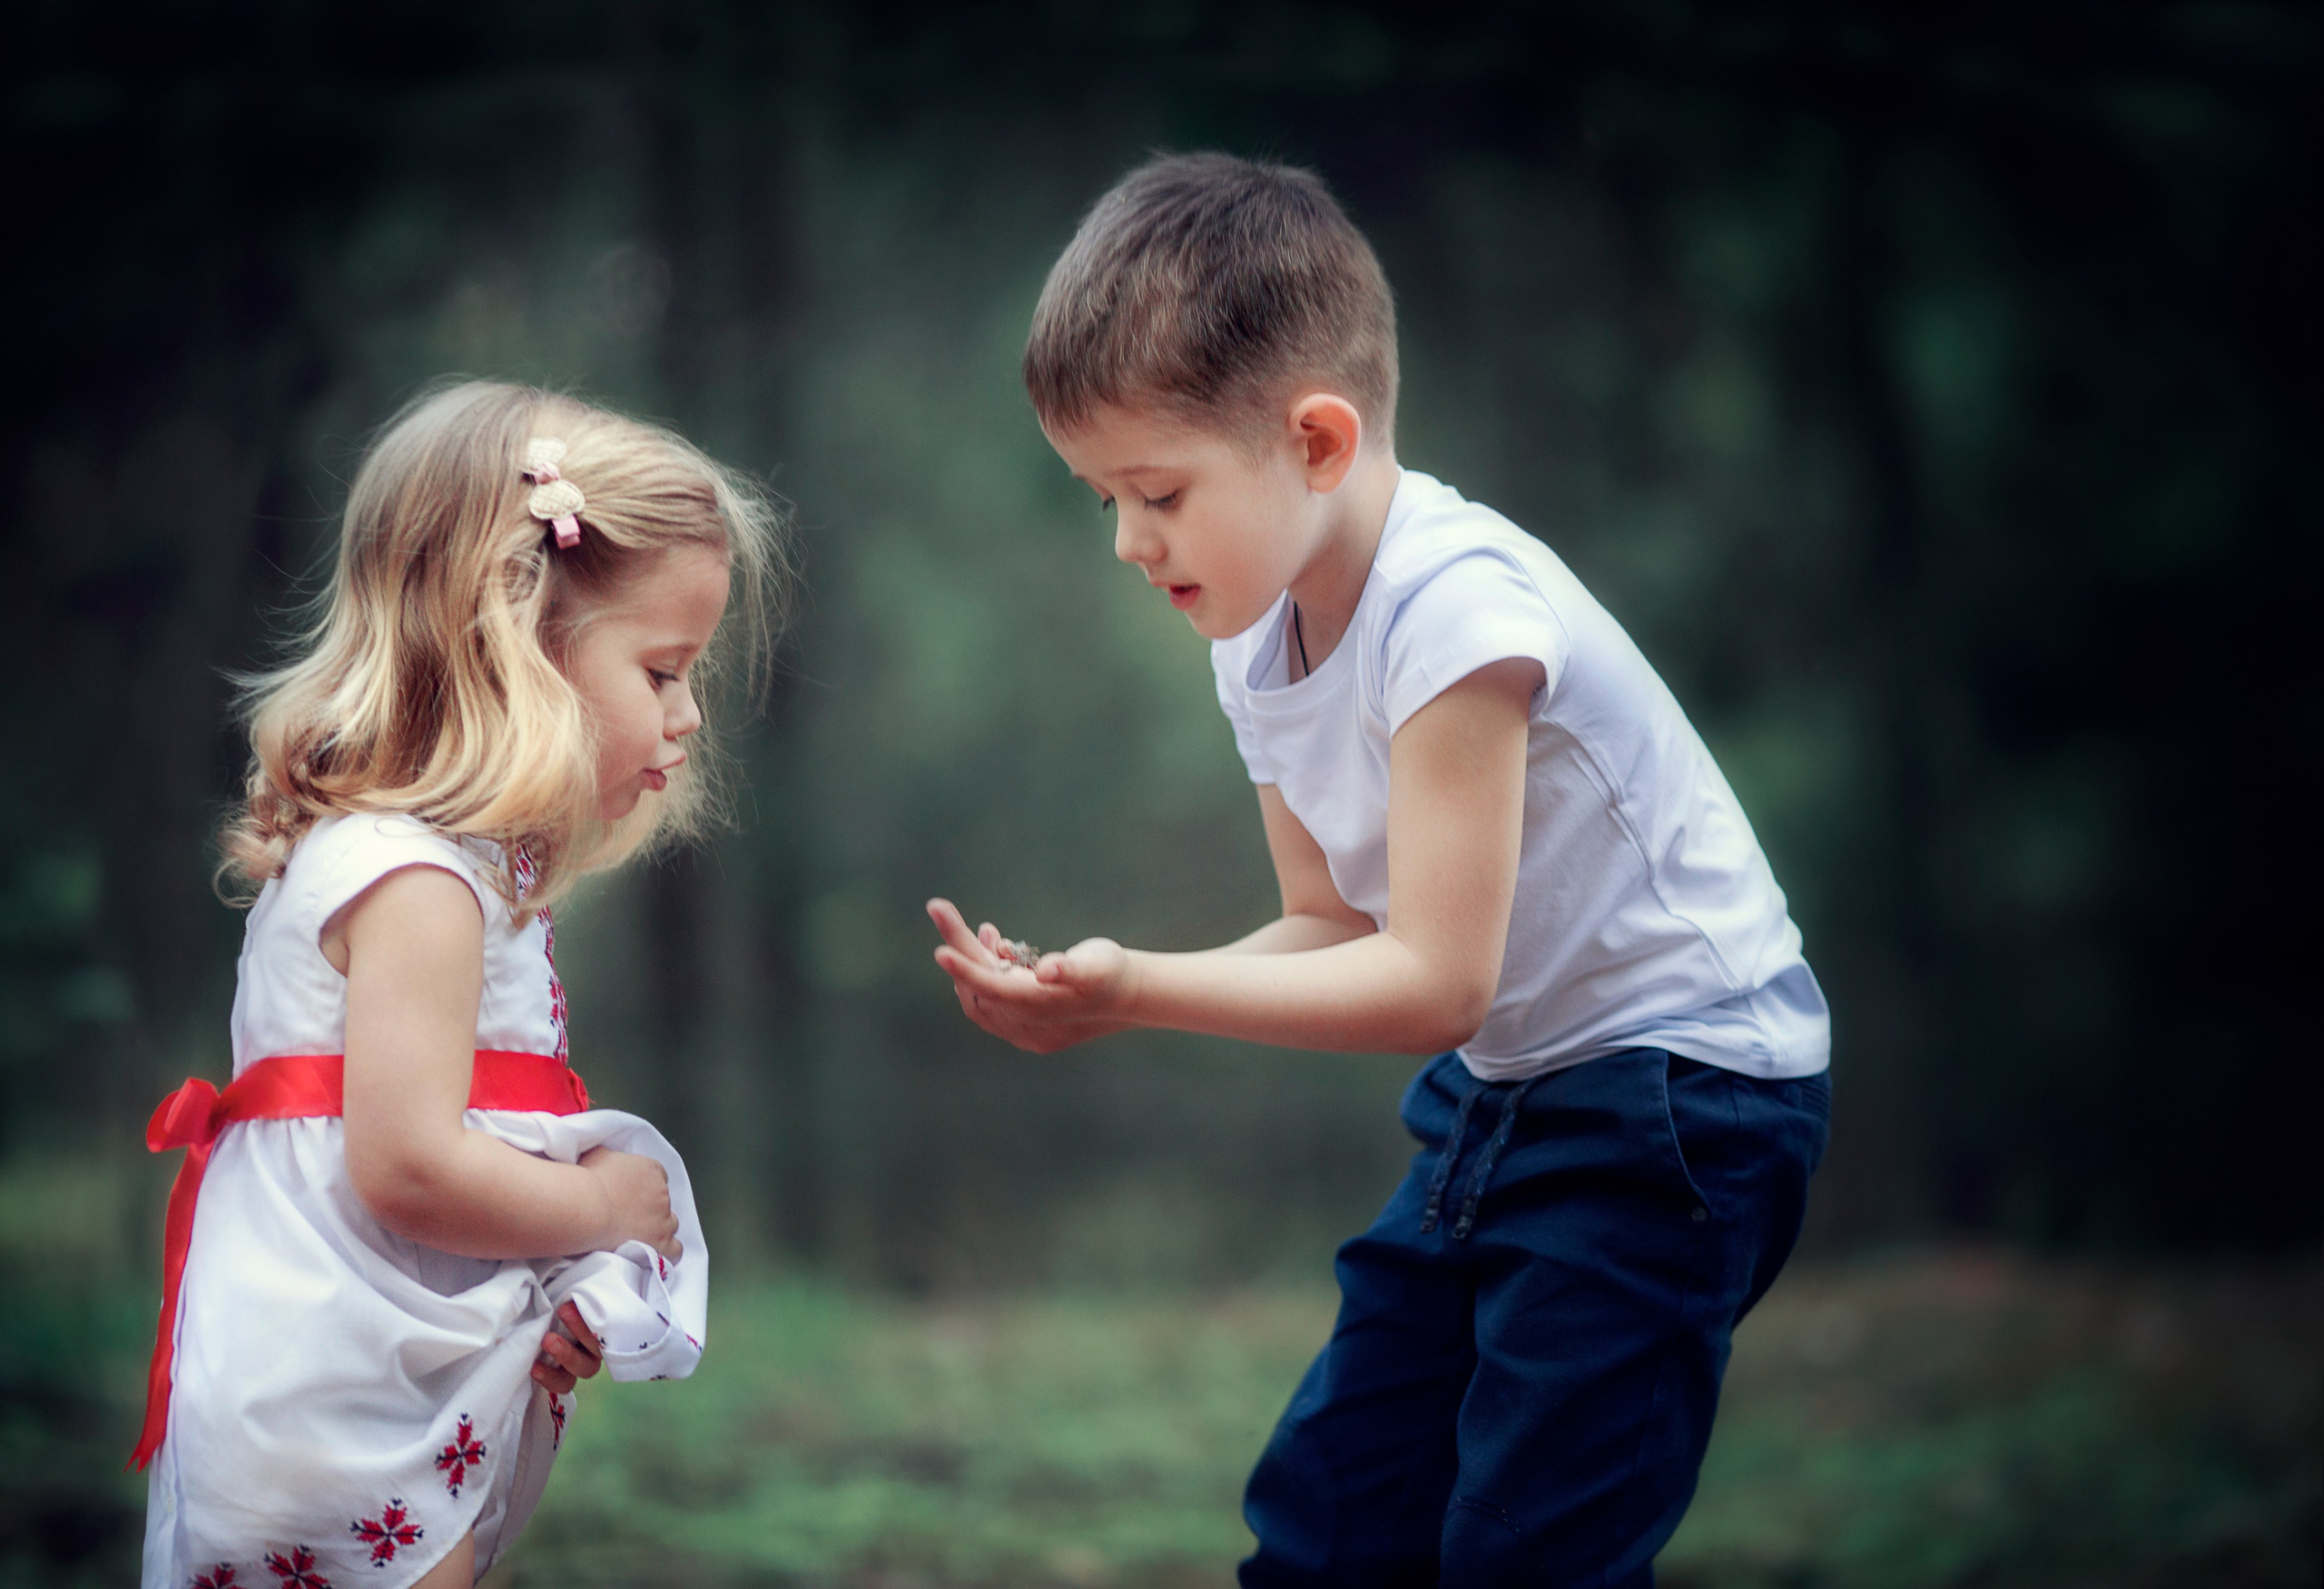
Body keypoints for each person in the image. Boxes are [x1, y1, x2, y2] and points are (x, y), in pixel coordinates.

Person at [928, 153, 1831, 1587]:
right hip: (1508, 1090)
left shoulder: (1458, 613)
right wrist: (1103, 979)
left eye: (1155, 490)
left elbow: (1432, 980)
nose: (1125, 540)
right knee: (1335, 1517)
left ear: (1321, 442)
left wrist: (1143, 993)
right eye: (1101, 495)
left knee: (1533, 1545)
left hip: (1680, 1097)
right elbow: (1330, 921)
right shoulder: (1252, 632)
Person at [137, 380, 787, 1589]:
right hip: (343, 1415)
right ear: (516, 645)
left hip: (360, 1383)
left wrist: (557, 1295)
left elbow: (451, 1152)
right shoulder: (416, 879)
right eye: (663, 669)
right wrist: (605, 1211)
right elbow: (411, 1166)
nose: (690, 715)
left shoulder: (447, 873)